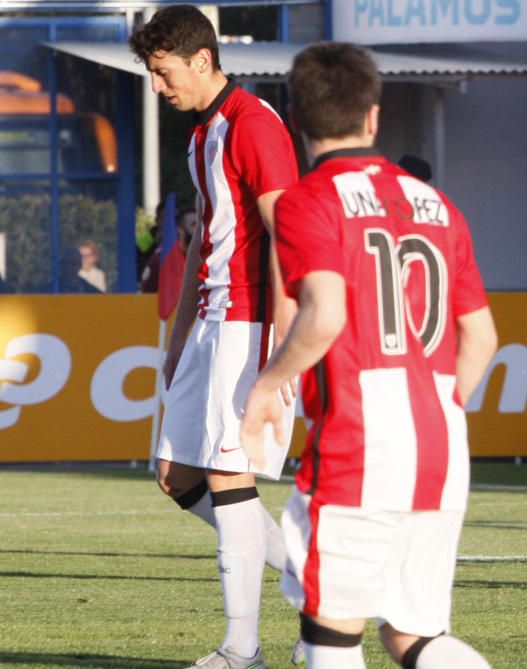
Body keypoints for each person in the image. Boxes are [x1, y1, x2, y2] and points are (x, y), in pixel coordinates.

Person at [240, 42, 497, 669]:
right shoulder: (436, 205)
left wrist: (266, 386)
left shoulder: (307, 199)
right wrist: (433, 402)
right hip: (440, 437)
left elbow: (323, 315)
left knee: (330, 632)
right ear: (373, 117)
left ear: (296, 119)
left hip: (362, 437)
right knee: (411, 635)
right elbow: (482, 337)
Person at [128, 5, 302, 668]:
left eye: (162, 72)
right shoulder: (203, 134)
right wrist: (179, 331)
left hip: (251, 319)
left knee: (231, 475)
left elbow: (284, 228)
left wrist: (286, 323)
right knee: (176, 475)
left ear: (202, 60)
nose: (157, 86)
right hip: (208, 320)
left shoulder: (255, 125)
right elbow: (207, 242)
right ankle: (309, 582)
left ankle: (240, 648)